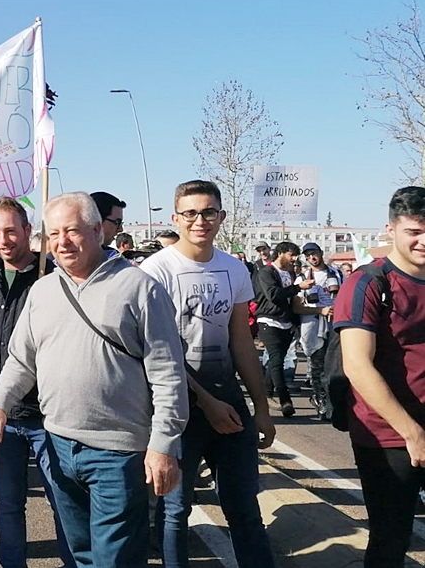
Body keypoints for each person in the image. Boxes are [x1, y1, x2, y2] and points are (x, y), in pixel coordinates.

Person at [0, 192, 187, 567]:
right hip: (59, 446)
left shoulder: (139, 288)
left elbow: (168, 375)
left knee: (115, 559)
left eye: (72, 230)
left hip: (118, 453)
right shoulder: (42, 291)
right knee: (79, 555)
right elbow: (20, 361)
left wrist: (163, 445)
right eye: (54, 233)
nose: (62, 241)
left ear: (96, 230)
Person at [140, 180, 277, 568]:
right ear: (176, 218)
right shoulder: (155, 271)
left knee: (244, 507)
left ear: (221, 216)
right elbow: (157, 353)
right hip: (176, 408)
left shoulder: (234, 269)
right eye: (190, 213)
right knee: (174, 511)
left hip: (229, 404)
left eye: (208, 212)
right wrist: (206, 401)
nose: (200, 221)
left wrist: (261, 408)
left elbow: (242, 343)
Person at [0, 197, 73, 567]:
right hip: (1, 414)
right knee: (7, 502)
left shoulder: (50, 277)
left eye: (10, 231)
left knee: (62, 499)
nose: (3, 240)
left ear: (28, 231)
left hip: (47, 414)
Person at [334, 187, 425, 566]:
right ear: (391, 230)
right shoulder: (369, 283)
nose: (423, 241)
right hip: (389, 435)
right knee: (392, 536)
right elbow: (357, 365)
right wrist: (412, 432)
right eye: (414, 231)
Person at [253, 242, 317, 417]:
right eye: (291, 255)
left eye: (296, 256)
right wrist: (298, 288)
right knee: (276, 359)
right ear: (280, 253)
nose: (294, 259)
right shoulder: (267, 272)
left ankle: (265, 394)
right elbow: (273, 295)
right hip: (268, 321)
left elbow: (290, 297)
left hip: (286, 322)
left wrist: (299, 298)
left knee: (278, 359)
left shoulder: (290, 273)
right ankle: (284, 399)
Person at [297, 243, 342, 419]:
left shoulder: (335, 274)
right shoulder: (302, 278)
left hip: (333, 323)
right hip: (313, 324)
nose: (312, 258)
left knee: (334, 365)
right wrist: (319, 310)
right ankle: (320, 399)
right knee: (317, 365)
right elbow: (297, 307)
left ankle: (333, 401)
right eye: (308, 255)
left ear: (321, 253)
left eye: (314, 253)